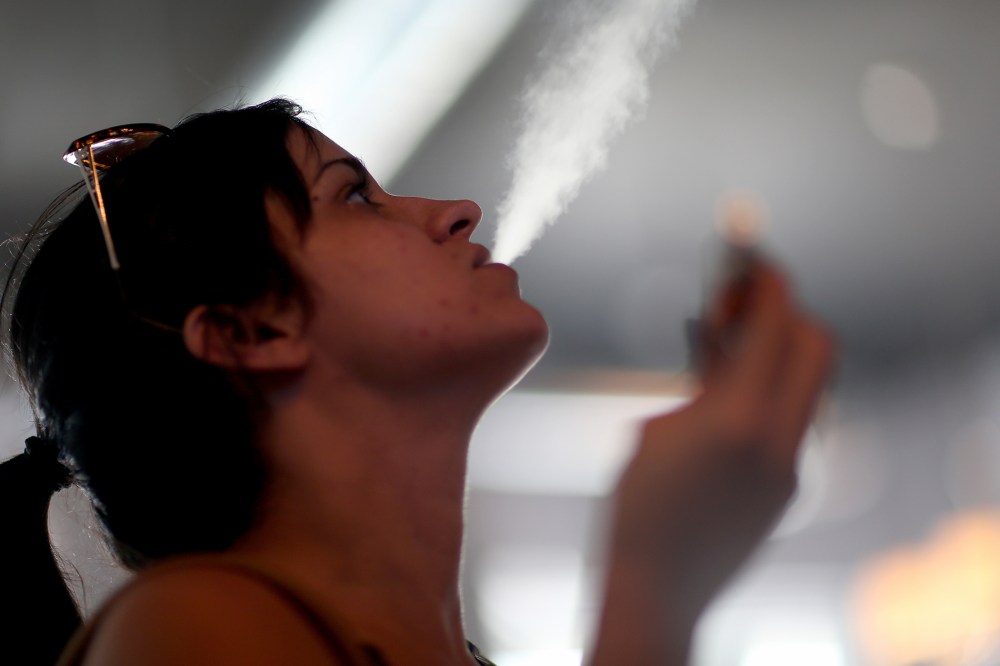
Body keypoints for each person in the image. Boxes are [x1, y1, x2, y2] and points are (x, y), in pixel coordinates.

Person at [0, 98, 832, 666]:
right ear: (247, 332)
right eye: (354, 196)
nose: (458, 210)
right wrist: (657, 575)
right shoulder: (191, 631)